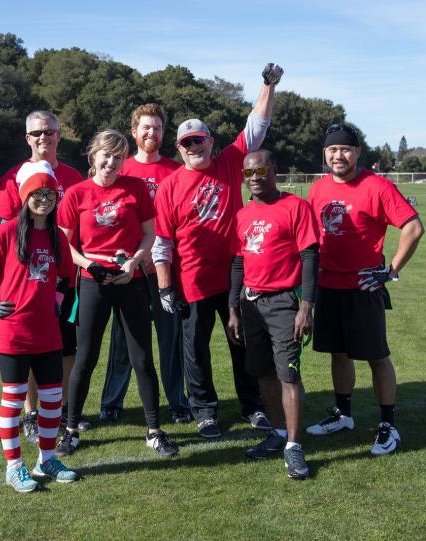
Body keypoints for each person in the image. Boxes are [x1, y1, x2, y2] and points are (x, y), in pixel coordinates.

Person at [152, 63, 284, 438]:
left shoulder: (229, 162)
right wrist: (164, 288)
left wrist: (267, 86)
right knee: (195, 348)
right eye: (187, 142)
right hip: (191, 277)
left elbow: (256, 126)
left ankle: (253, 405)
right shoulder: (170, 186)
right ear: (179, 148)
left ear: (211, 141)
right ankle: (205, 411)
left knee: (241, 340)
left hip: (234, 272)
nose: (194, 146)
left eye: (200, 139)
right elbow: (162, 243)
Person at [57, 129, 179, 458]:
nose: (111, 162)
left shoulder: (136, 188)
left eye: (118, 157)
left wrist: (135, 263)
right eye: (106, 155)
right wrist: (90, 265)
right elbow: (64, 244)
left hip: (131, 282)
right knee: (85, 358)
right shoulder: (76, 194)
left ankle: (154, 431)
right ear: (93, 156)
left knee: (142, 357)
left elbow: (149, 234)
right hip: (92, 282)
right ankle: (70, 429)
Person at [306, 123, 424, 456]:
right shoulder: (317, 189)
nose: (338, 155)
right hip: (328, 285)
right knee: (337, 352)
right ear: (325, 154)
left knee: (376, 356)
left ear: (357, 152)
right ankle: (343, 414)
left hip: (363, 285)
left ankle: (388, 424)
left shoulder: (377, 186)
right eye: (332, 150)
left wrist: (391, 272)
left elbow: (414, 228)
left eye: (345, 149)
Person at [0, 160, 79, 492]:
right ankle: (14, 467)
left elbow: (67, 276)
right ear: (26, 196)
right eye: (37, 193)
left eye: (50, 193)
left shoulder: (56, 236)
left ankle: (47, 459)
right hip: (12, 333)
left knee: (53, 399)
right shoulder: (8, 231)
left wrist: (55, 302)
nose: (44, 199)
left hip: (47, 334)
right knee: (13, 401)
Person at [0, 110, 87, 442]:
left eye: (49, 132)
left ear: (59, 135)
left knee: (67, 346)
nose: (43, 137)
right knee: (30, 349)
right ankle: (32, 414)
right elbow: (4, 230)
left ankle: (58, 410)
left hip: (66, 275)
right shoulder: (13, 177)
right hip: (27, 282)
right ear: (27, 138)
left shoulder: (75, 177)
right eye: (36, 133)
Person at [226, 150, 319, 480]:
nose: (255, 178)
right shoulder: (242, 215)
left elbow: (310, 258)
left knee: (288, 375)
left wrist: (306, 307)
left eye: (261, 171)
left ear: (274, 171)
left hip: (283, 303)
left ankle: (294, 446)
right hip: (251, 305)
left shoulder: (295, 207)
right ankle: (278, 433)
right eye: (248, 173)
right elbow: (238, 263)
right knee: (262, 372)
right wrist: (233, 309)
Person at [99, 104, 191, 425]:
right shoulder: (119, 170)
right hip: (130, 272)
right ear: (134, 131)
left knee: (171, 340)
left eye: (158, 128)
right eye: (146, 128)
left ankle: (178, 402)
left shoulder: (176, 171)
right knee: (124, 341)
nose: (152, 133)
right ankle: (111, 401)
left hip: (165, 271)